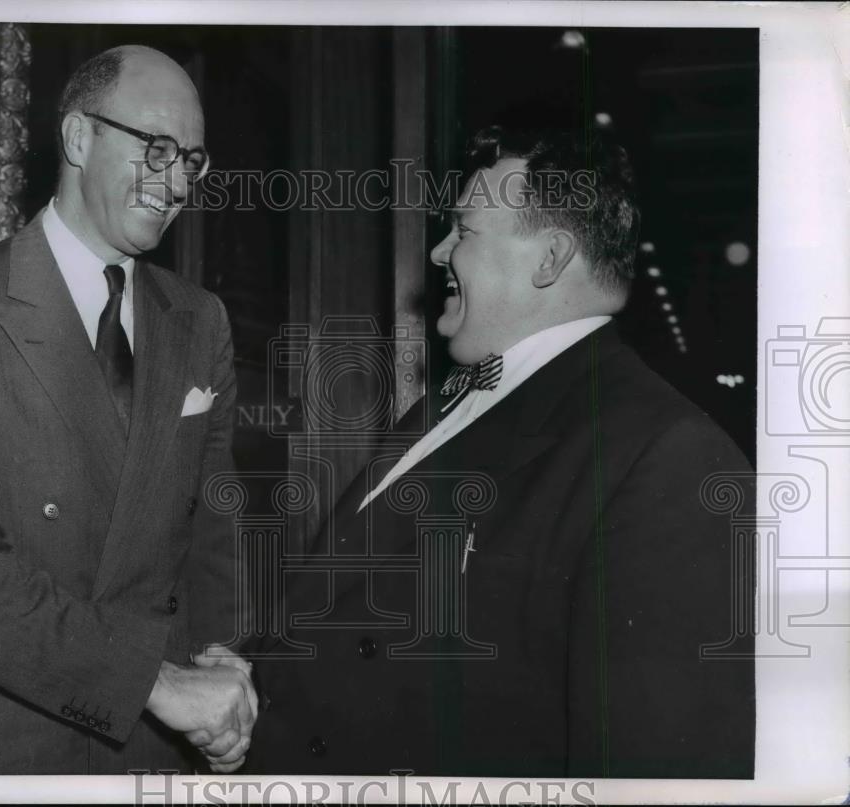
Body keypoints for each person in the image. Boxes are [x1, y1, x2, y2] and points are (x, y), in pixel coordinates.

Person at [246, 122, 755, 777]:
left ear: (549, 259)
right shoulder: (437, 408)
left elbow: (655, 773)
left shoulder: (669, 458)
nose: (437, 253)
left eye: (463, 230)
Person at [0, 45, 256, 774]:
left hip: (158, 750)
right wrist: (155, 682)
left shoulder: (201, 321)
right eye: (156, 148)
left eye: (192, 160)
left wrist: (223, 675)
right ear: (79, 137)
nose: (175, 181)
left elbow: (216, 530)